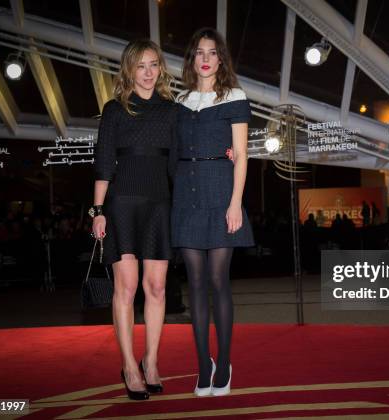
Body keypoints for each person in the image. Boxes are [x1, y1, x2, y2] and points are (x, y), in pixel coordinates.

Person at [92, 39, 176, 400]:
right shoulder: (114, 110)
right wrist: (97, 211)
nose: (147, 72)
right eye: (141, 65)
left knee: (157, 289)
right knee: (125, 289)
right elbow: (103, 162)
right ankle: (129, 365)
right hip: (122, 205)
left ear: (160, 69)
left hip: (160, 204)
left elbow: (182, 160)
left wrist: (225, 152)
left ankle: (151, 361)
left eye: (154, 65)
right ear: (129, 69)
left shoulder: (172, 112)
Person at [171, 27, 254, 397]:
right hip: (186, 195)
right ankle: (203, 364)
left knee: (219, 281)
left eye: (212, 52)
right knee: (196, 284)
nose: (205, 58)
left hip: (221, 191)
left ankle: (225, 362)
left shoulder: (235, 96)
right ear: (193, 59)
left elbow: (242, 155)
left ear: (221, 58)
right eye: (199, 52)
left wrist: (235, 202)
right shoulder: (181, 100)